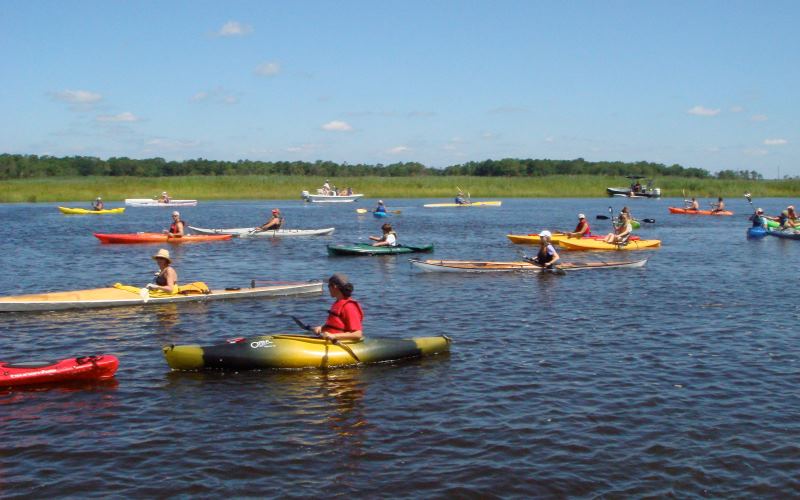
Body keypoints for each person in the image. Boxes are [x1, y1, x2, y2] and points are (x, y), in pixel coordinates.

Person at [312, 273, 363, 341]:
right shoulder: (338, 303)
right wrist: (321, 328)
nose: (328, 289)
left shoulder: (349, 306)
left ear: (334, 286)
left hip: (340, 343)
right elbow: (335, 324)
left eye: (328, 286)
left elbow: (358, 334)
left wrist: (334, 336)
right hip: (330, 340)